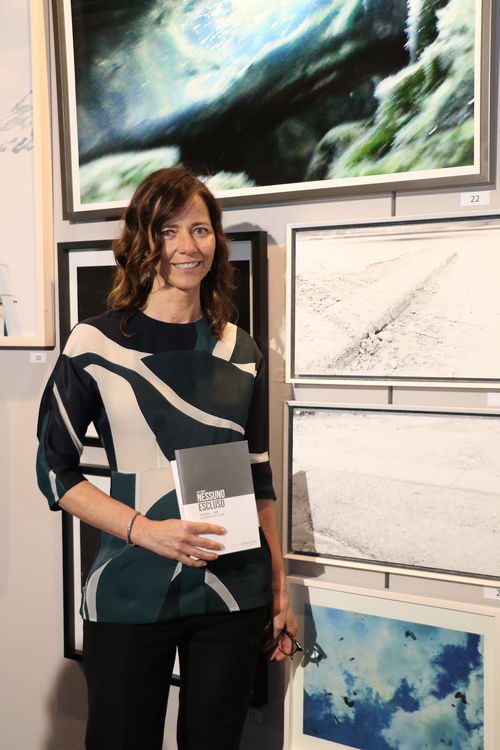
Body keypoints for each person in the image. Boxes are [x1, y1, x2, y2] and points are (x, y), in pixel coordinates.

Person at [36, 167, 297, 750]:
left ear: (215, 241)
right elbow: (54, 472)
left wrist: (279, 590)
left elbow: (258, 476)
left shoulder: (241, 349)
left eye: (199, 230)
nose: (187, 246)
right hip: (130, 584)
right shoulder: (94, 344)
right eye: (168, 230)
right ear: (142, 240)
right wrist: (146, 530)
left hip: (232, 588)